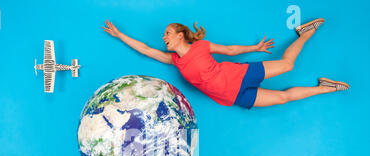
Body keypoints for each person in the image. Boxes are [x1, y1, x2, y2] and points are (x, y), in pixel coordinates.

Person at [103, 18, 349, 109]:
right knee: (282, 98)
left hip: (239, 76)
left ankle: (304, 33)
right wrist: (120, 35)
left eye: (167, 33)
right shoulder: (175, 61)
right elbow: (146, 50)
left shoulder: (201, 45)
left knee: (287, 65)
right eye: (163, 35)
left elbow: (230, 51)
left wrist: (255, 48)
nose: (163, 37)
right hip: (232, 98)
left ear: (180, 35)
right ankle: (324, 86)